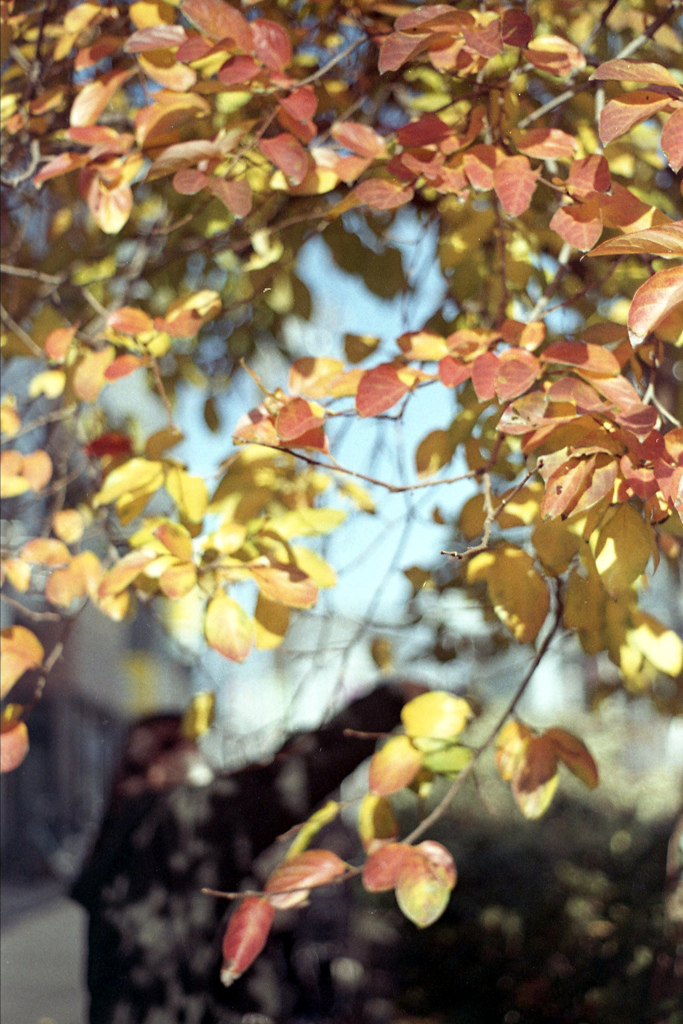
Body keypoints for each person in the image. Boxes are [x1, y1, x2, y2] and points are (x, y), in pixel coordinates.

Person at [72, 685, 412, 1024]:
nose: (202, 764)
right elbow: (285, 781)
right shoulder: (182, 819)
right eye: (193, 751)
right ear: (161, 763)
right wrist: (389, 700)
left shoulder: (117, 837)